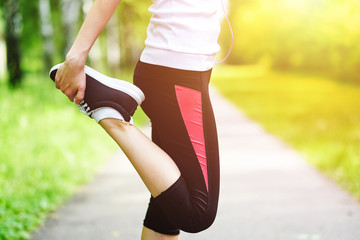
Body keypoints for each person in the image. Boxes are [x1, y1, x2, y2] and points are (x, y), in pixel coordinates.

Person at [52, 0, 223, 239]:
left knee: (166, 214)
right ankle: (111, 112)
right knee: (198, 212)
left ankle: (112, 109)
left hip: (180, 71)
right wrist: (76, 55)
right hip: (177, 73)